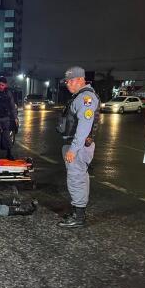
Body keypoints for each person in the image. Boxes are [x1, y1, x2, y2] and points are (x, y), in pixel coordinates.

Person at [56, 66, 100, 228]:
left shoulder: (85, 98)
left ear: (81, 79)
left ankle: (79, 217)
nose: (68, 84)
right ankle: (77, 210)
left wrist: (73, 150)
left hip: (79, 147)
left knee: (76, 179)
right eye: (67, 81)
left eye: (71, 80)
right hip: (76, 145)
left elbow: (84, 126)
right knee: (79, 178)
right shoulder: (80, 96)